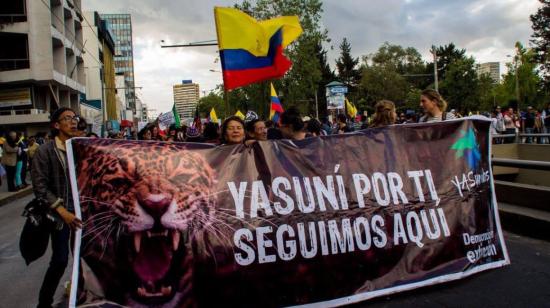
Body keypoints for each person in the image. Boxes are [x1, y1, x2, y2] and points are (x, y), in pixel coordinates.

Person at [32, 107, 82, 308]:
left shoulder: (78, 148)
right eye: (67, 118)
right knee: (60, 260)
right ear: (56, 125)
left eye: (74, 118)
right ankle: (44, 303)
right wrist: (62, 211)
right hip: (59, 216)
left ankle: (80, 295)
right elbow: (40, 187)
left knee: (84, 257)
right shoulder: (44, 151)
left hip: (80, 213)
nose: (73, 122)